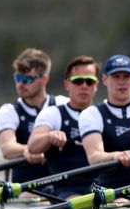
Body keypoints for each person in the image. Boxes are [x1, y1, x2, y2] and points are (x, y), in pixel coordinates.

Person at [27, 56, 100, 199]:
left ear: (96, 85)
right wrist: (49, 137)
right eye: (78, 81)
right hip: (67, 191)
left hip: (102, 188)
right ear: (67, 85)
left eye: (89, 81)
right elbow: (32, 147)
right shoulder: (53, 114)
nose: (84, 86)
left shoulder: (102, 113)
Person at [0, 48, 67, 187]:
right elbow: (7, 149)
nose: (20, 84)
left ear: (44, 78)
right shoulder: (9, 111)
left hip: (63, 183)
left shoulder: (62, 104)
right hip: (27, 186)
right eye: (18, 78)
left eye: (27, 79)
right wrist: (29, 150)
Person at [78, 54, 130, 191]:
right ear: (104, 79)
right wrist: (117, 155)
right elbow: (94, 157)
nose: (122, 82)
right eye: (116, 77)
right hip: (113, 189)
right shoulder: (92, 113)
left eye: (126, 76)